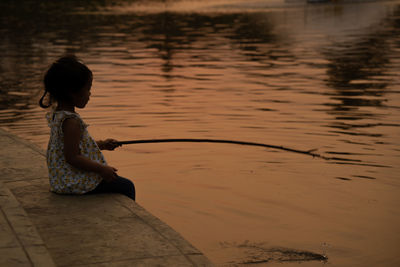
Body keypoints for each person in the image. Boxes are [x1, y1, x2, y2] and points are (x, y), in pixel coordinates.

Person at [39, 55, 135, 200]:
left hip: (61, 180)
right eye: (87, 89)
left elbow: (73, 146)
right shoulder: (72, 122)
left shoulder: (59, 115)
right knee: (127, 186)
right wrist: (102, 169)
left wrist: (102, 144)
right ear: (72, 92)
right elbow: (72, 157)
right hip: (72, 182)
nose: (89, 94)